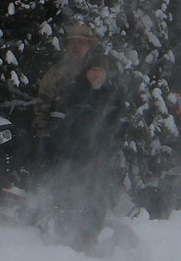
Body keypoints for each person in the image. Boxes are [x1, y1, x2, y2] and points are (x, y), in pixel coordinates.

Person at [42, 53, 127, 250]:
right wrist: (62, 149)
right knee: (68, 196)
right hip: (72, 158)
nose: (96, 74)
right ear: (86, 72)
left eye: (100, 71)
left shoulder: (113, 98)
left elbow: (121, 129)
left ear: (106, 74)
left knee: (95, 199)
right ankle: (64, 239)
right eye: (93, 70)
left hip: (99, 160)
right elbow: (57, 124)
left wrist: (109, 150)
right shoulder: (72, 92)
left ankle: (89, 239)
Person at [33, 22, 97, 161]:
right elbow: (43, 104)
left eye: (81, 43)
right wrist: (44, 134)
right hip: (60, 140)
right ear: (67, 46)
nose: (77, 47)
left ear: (88, 46)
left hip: (92, 139)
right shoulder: (55, 73)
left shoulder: (98, 73)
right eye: (73, 43)